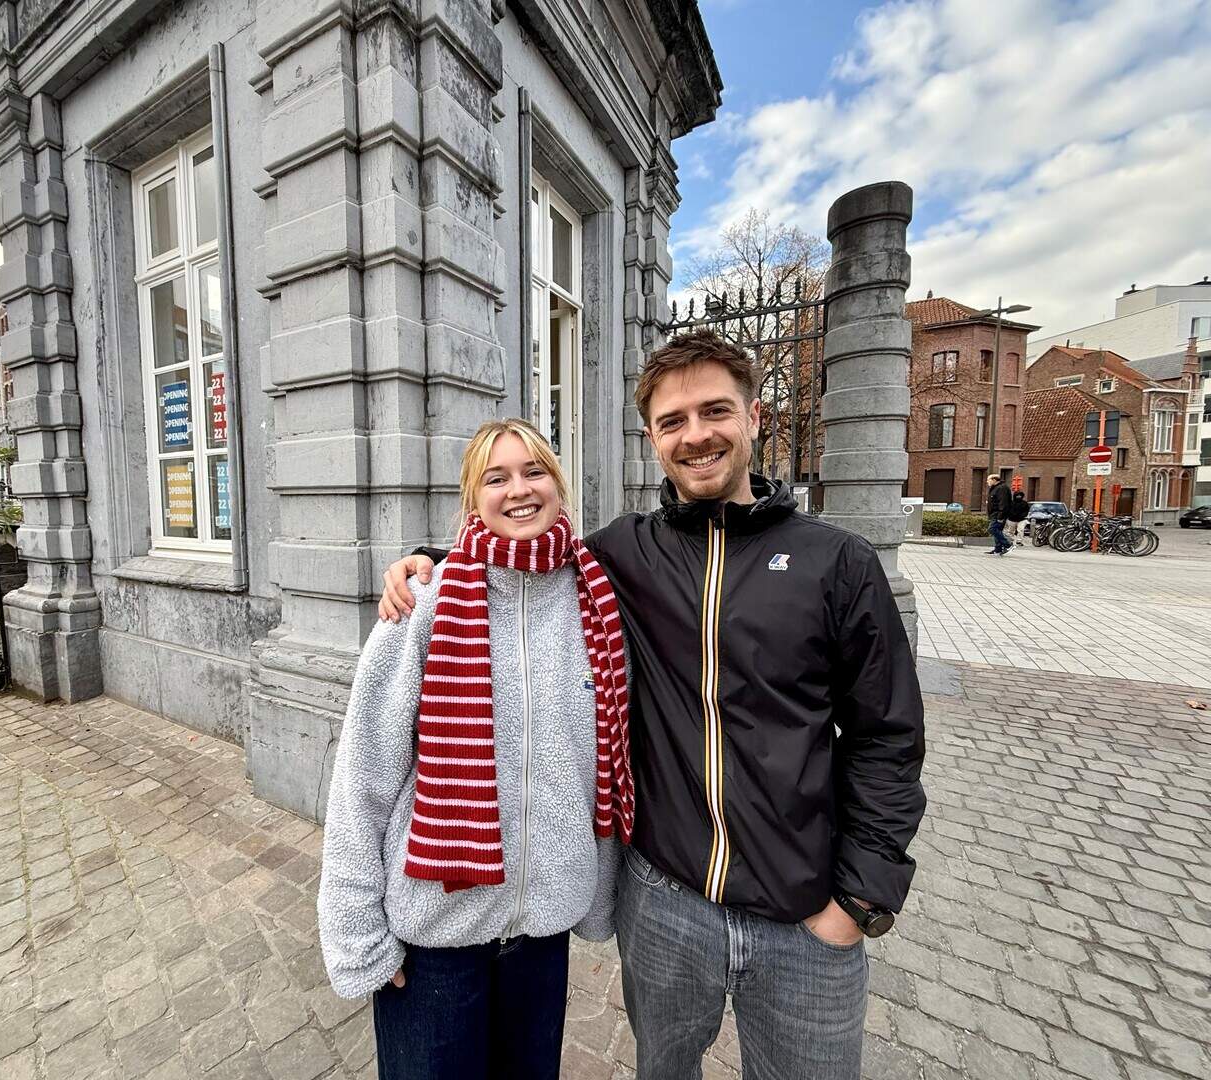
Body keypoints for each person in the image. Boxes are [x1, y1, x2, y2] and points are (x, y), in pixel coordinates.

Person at [379, 329, 925, 1080]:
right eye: (673, 421)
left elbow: (887, 735)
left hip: (804, 919)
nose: (696, 435)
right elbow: (525, 551)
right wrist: (430, 563)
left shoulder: (838, 561)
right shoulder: (624, 553)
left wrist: (859, 899)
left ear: (755, 416)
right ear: (652, 439)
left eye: (715, 411)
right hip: (666, 905)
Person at [318, 417, 632, 1080]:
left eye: (534, 471)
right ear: (472, 498)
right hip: (434, 940)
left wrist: (598, 890)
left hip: (541, 936)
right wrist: (359, 936)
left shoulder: (598, 606)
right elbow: (363, 778)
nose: (519, 489)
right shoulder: (424, 606)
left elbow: (603, 766)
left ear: (558, 486)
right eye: (497, 477)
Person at [986, 475, 1013, 554]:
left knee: (992, 529)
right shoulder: (995, 488)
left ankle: (1008, 545)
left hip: (998, 513)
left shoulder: (1002, 488)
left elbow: (1003, 503)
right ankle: (998, 549)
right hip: (994, 513)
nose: (987, 482)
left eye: (988, 480)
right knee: (998, 530)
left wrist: (1000, 517)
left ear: (994, 480)